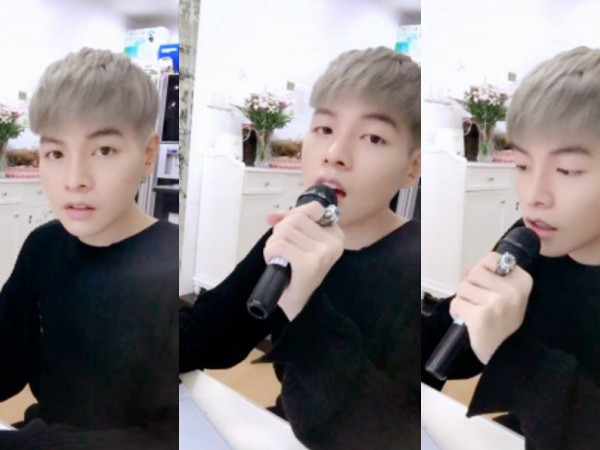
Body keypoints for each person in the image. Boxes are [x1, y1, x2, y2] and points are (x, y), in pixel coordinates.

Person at [180, 46, 422, 449]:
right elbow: (214, 332)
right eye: (324, 129)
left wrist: (304, 307)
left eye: (373, 137)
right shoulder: (293, 235)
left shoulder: (412, 270)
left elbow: (376, 430)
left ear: (412, 167)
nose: (335, 155)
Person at [422, 46, 600, 450]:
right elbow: (450, 346)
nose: (534, 195)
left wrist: (509, 353)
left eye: (568, 170)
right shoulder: (532, 239)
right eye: (522, 165)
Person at [0, 48, 178, 449]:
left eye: (103, 150)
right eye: (56, 153)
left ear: (148, 154)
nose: (74, 179)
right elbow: (8, 361)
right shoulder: (44, 246)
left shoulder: (171, 263)